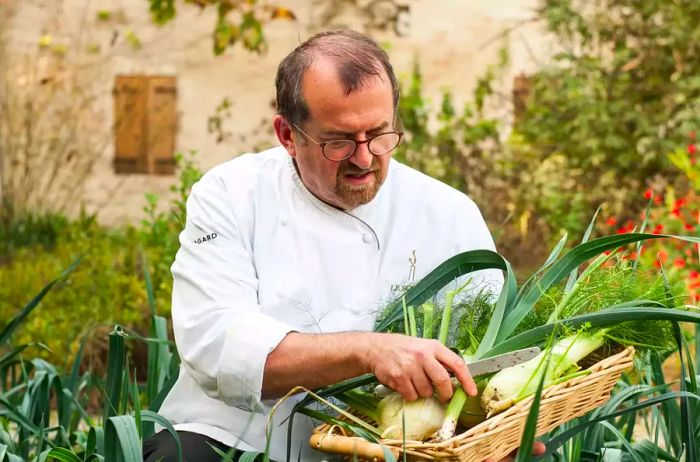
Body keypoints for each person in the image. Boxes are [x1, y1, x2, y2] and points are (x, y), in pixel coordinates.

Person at [143, 30, 544, 462]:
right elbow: (216, 344)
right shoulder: (231, 194)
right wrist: (370, 351)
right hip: (239, 438)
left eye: (379, 134)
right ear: (287, 135)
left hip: (394, 445)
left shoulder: (448, 213)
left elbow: (491, 351)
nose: (364, 158)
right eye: (338, 141)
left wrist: (496, 426)